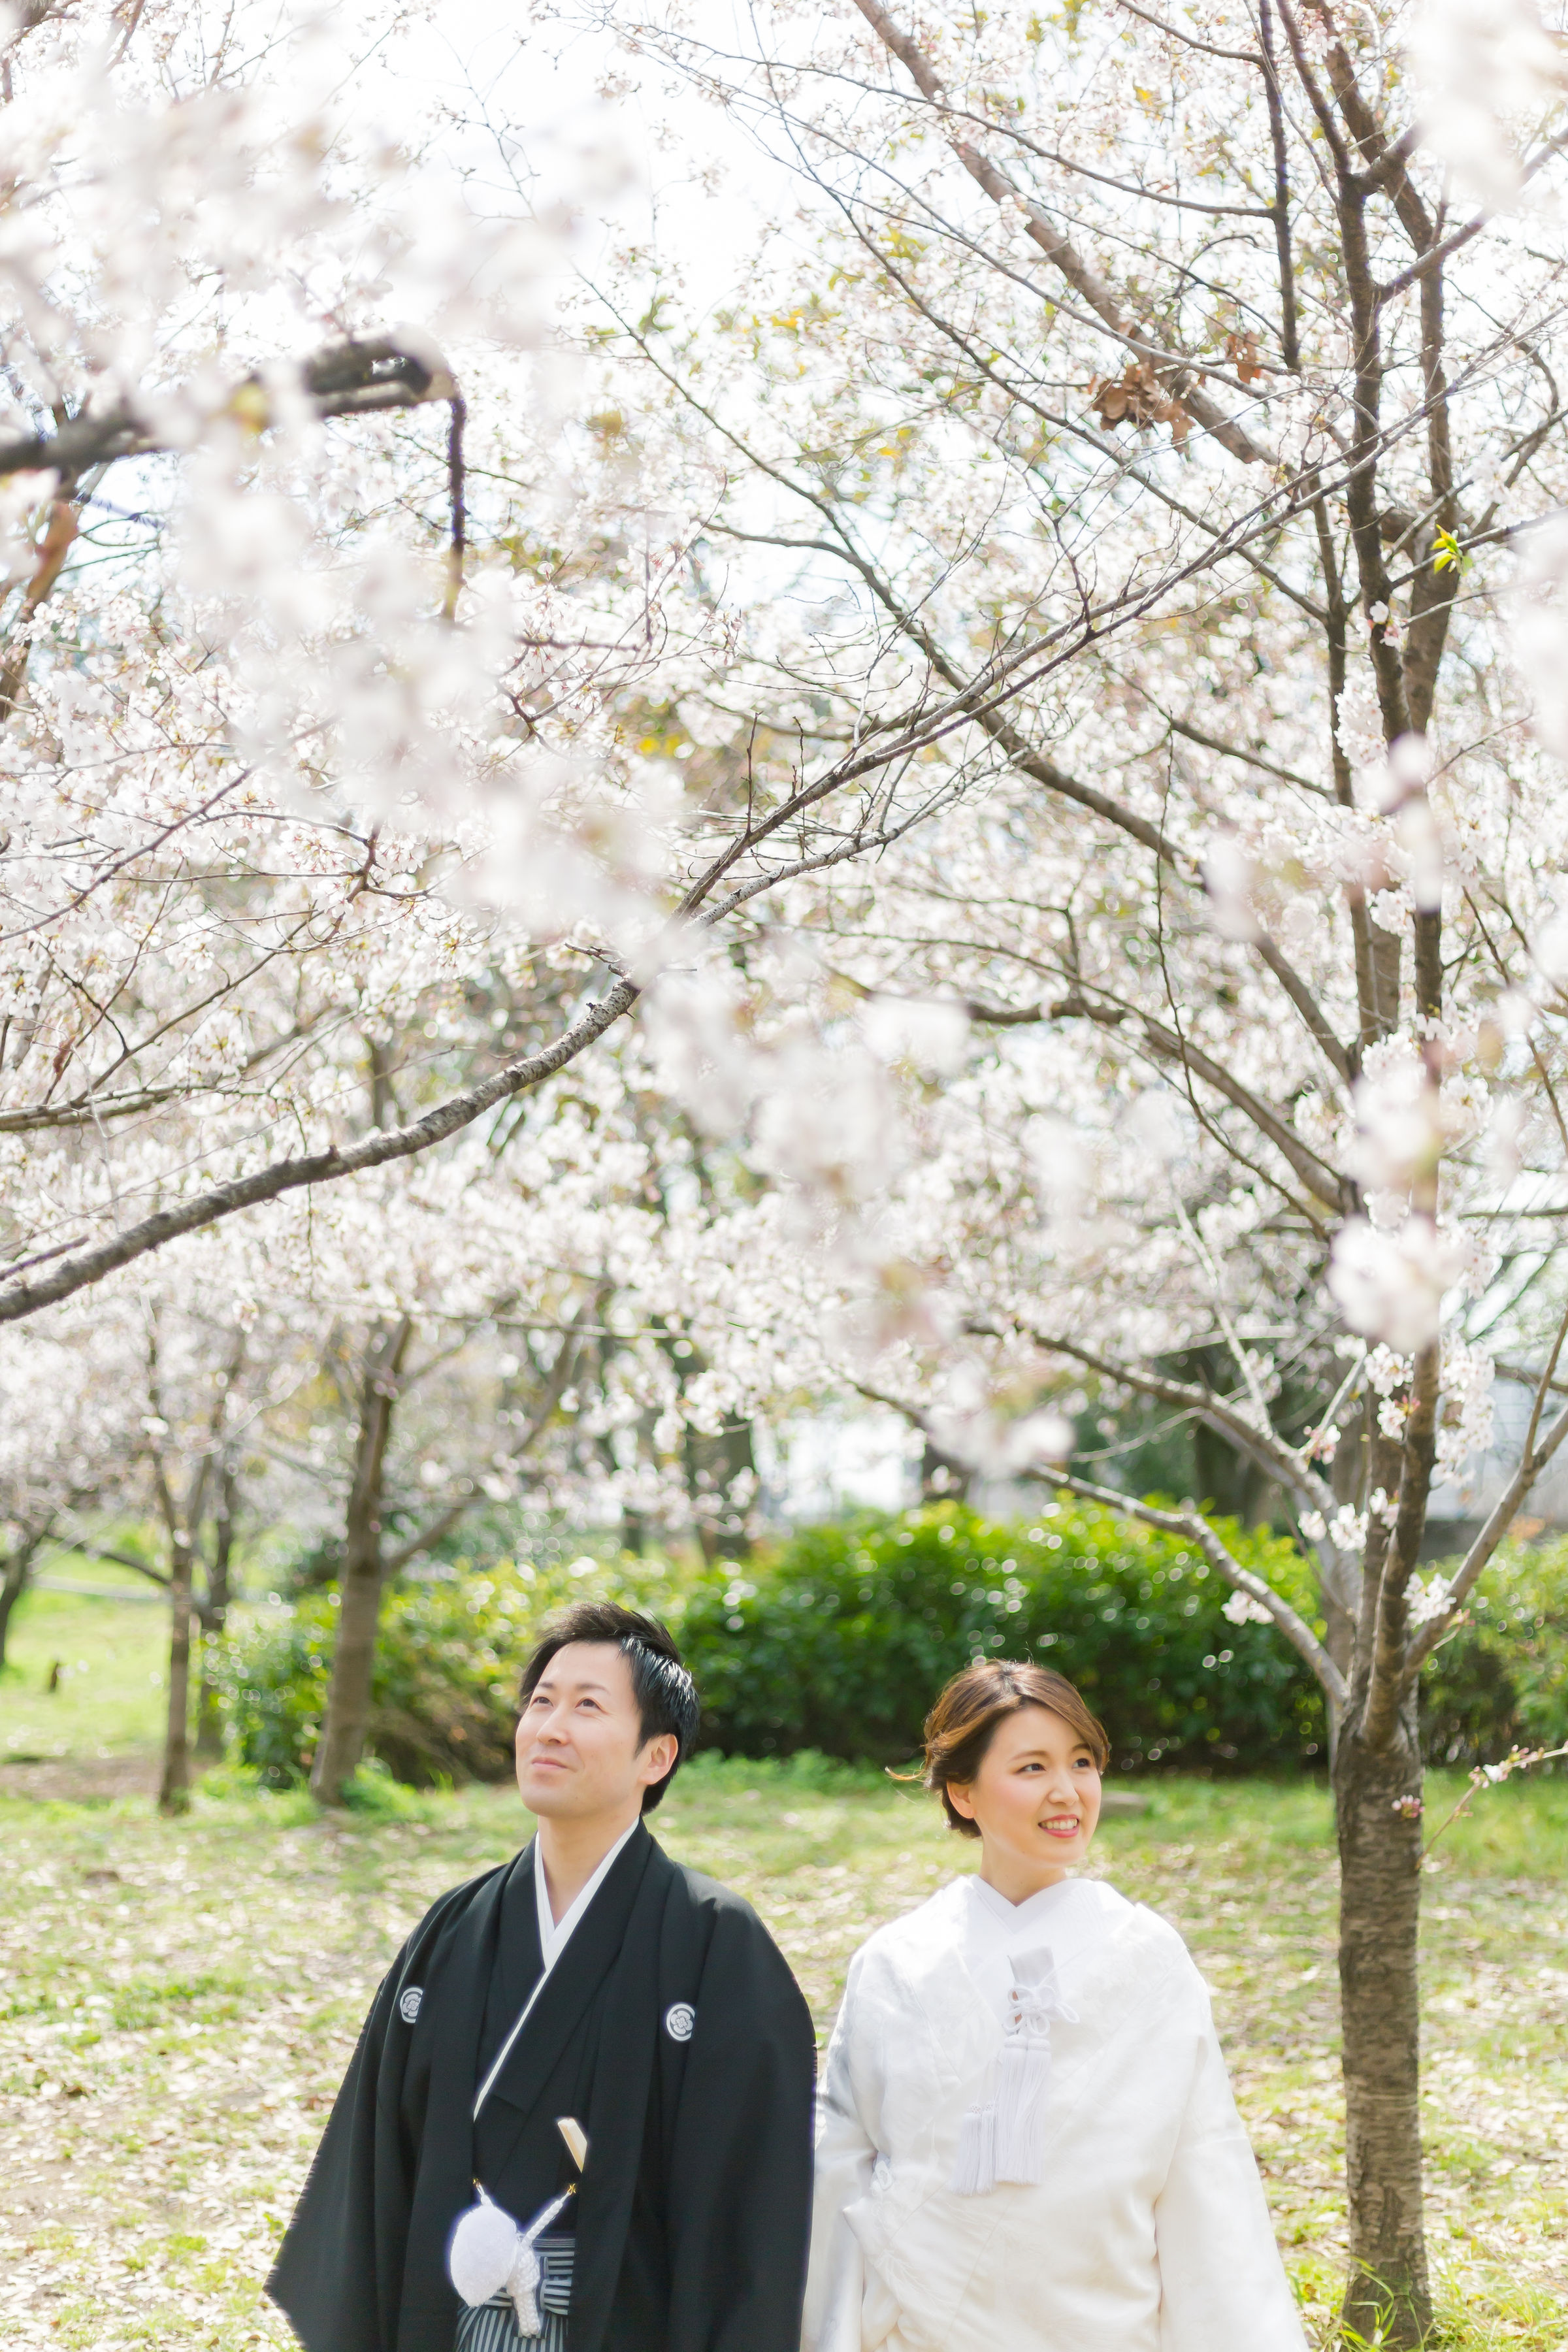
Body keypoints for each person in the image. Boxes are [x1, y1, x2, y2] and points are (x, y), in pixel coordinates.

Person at [268, 1601, 817, 2352]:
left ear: (657, 1757)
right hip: (448, 2322)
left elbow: (754, 2210)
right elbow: (374, 2169)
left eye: (587, 1706)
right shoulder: (454, 1930)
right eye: (541, 1702)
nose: (551, 1727)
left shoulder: (715, 1941)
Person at [803, 1659, 1307, 2352]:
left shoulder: (1147, 1957)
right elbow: (840, 2165)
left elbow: (1204, 2171)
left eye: (1082, 1762)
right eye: (1032, 1768)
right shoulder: (896, 1962)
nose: (1067, 1792)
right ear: (963, 1793)